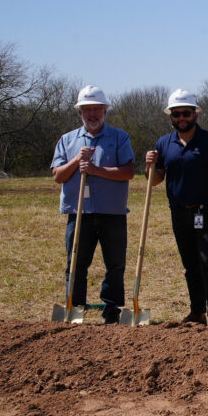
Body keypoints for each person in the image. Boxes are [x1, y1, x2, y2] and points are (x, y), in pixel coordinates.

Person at [146, 89, 208, 325]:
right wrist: (149, 167)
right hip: (179, 212)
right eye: (176, 114)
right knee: (190, 264)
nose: (181, 118)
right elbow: (155, 179)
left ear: (195, 114)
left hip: (207, 212)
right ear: (171, 117)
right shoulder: (164, 143)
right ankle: (197, 311)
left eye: (185, 113)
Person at [50, 85, 135, 324]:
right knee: (76, 263)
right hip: (79, 213)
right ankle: (75, 306)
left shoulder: (120, 137)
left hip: (112, 212)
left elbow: (128, 171)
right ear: (80, 113)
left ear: (105, 111)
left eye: (97, 109)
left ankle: (111, 310)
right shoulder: (68, 141)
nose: (92, 114)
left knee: (115, 264)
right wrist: (77, 160)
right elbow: (58, 176)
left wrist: (97, 170)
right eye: (87, 110)